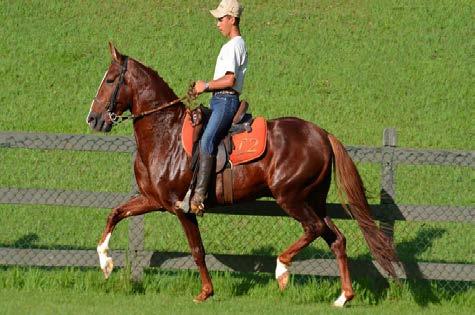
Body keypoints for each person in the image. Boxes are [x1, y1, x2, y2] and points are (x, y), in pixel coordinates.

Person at [190, 0, 248, 215]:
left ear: (232, 19)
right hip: (218, 100)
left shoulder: (234, 45)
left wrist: (205, 86)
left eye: (220, 19)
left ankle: (199, 196)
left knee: (207, 140)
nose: (217, 24)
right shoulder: (231, 45)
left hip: (225, 100)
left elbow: (230, 80)